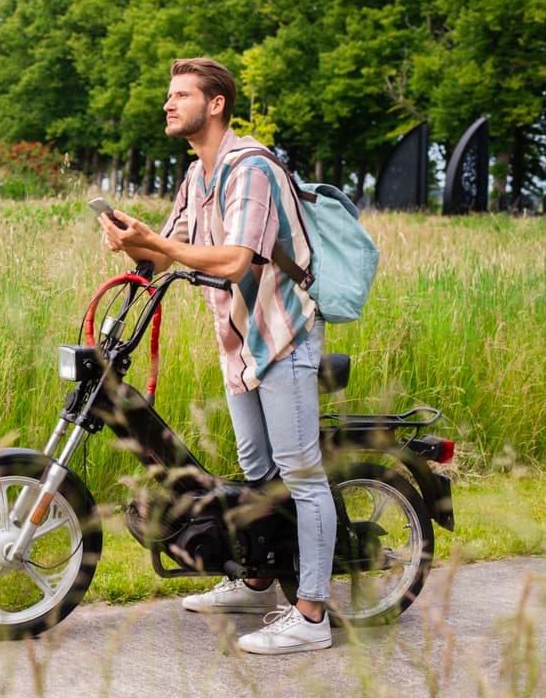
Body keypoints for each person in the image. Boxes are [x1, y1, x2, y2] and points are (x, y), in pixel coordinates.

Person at [97, 57, 335, 655]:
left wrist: (157, 242)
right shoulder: (196, 175)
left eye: (180, 95)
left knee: (300, 477)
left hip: (282, 338)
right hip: (237, 344)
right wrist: (134, 243)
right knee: (257, 472)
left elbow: (234, 261)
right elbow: (169, 252)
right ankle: (258, 582)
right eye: (168, 96)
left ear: (216, 103)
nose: (168, 105)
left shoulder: (249, 167)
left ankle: (311, 616)